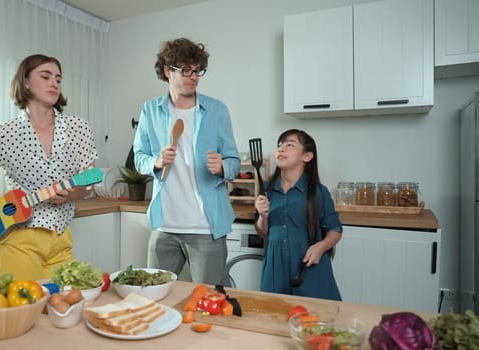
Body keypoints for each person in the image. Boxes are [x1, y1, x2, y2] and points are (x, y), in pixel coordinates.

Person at [0, 54, 98, 280]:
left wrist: (71, 194)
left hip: (61, 238)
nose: (54, 83)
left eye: (58, 78)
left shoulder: (79, 128)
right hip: (18, 241)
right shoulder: (5, 134)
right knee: (16, 314)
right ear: (25, 82)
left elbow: (90, 185)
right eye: (45, 76)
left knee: (61, 311)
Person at [133, 37, 240, 286]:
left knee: (208, 301)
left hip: (206, 228)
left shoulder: (217, 110)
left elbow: (234, 160)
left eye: (198, 71)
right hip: (164, 226)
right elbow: (139, 159)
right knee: (155, 297)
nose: (194, 77)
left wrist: (223, 166)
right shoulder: (150, 110)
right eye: (187, 70)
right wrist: (156, 162)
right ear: (168, 71)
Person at [254, 129, 342, 300]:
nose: (281, 149)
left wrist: (321, 247)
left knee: (317, 319)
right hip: (275, 268)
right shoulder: (267, 190)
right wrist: (262, 217)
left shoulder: (319, 192)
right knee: (274, 315)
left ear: (307, 157)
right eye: (279, 145)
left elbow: (335, 230)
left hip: (309, 266)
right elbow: (262, 233)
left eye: (289, 145)